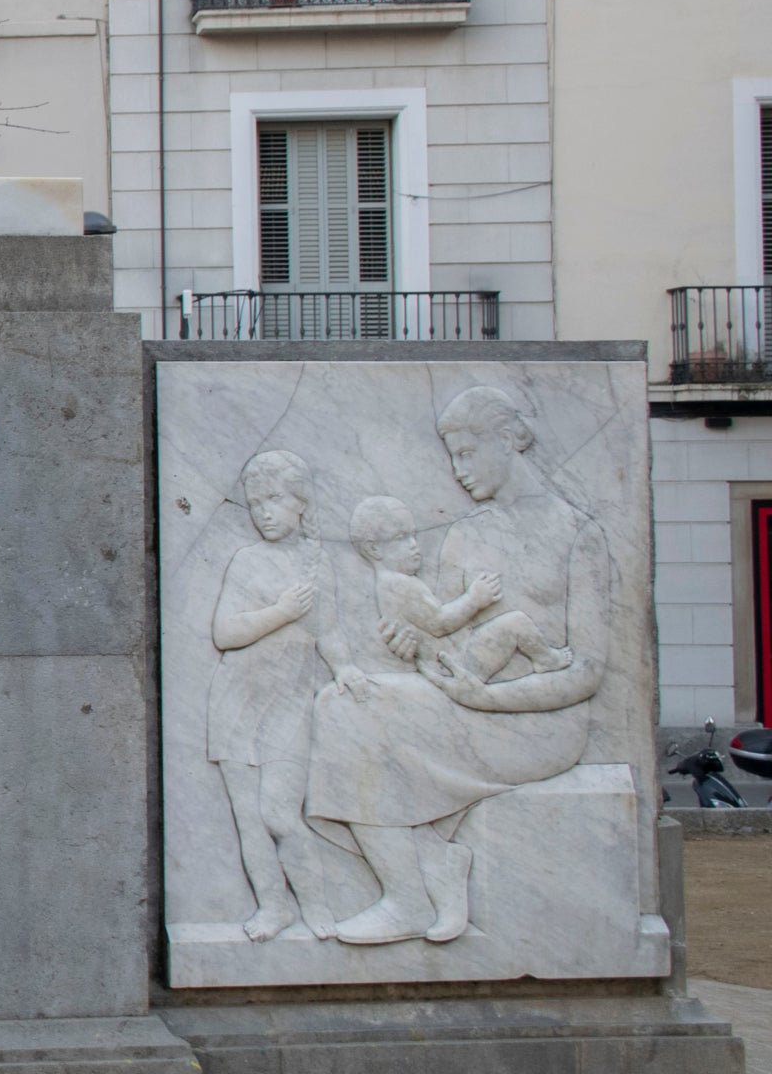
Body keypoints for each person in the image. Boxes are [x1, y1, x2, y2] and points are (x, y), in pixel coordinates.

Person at [305, 387, 611, 946]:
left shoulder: (578, 532)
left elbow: (587, 671)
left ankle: (411, 893)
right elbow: (448, 647)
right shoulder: (465, 532)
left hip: (536, 721)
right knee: (341, 702)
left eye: (467, 453)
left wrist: (487, 698)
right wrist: (413, 647)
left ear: (510, 439)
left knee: (355, 719)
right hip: (465, 700)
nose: (457, 469)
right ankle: (425, 873)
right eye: (451, 455)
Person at [207, 450, 337, 942]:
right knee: (249, 819)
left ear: (300, 501)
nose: (263, 511)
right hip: (237, 698)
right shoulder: (248, 560)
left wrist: (346, 670)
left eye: (275, 499)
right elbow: (224, 632)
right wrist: (281, 612)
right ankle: (273, 907)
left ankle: (318, 904)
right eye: (254, 501)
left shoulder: (318, 562)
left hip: (290, 700)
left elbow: (331, 630)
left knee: (280, 811)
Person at [347, 494, 571, 683]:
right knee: (516, 622)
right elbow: (439, 623)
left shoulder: (390, 584)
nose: (414, 545)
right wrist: (474, 599)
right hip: (454, 663)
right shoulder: (399, 584)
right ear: (374, 549)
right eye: (401, 538)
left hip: (446, 661)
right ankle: (546, 659)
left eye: (413, 535)